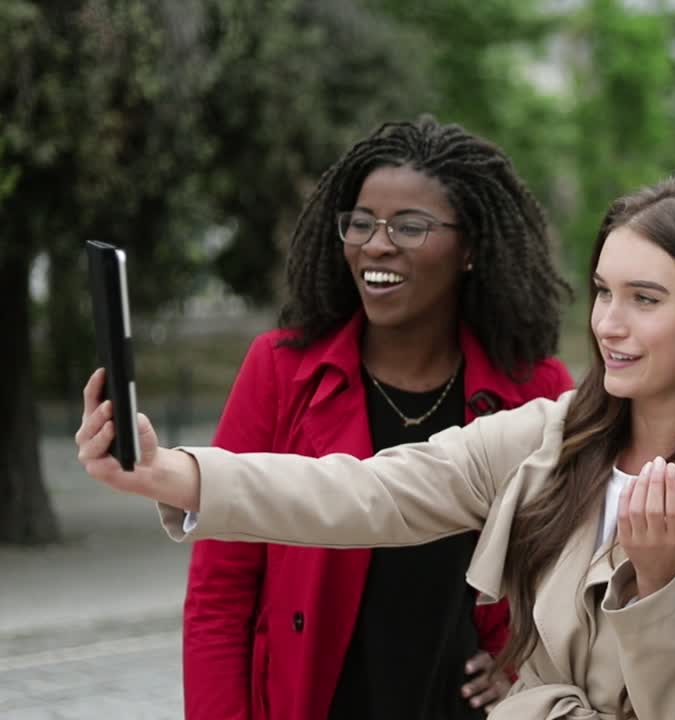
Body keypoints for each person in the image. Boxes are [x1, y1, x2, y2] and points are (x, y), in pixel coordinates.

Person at [77, 178, 675, 720]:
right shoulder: (552, 435)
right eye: (601, 291)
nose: (608, 325)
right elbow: (367, 493)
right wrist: (170, 472)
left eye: (645, 299)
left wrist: (660, 589)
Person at [180, 116, 576, 720]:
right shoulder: (280, 372)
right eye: (360, 223)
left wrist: (527, 666)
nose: (375, 244)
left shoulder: (535, 391)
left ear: (470, 248)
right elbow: (220, 594)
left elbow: (574, 577)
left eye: (410, 226)